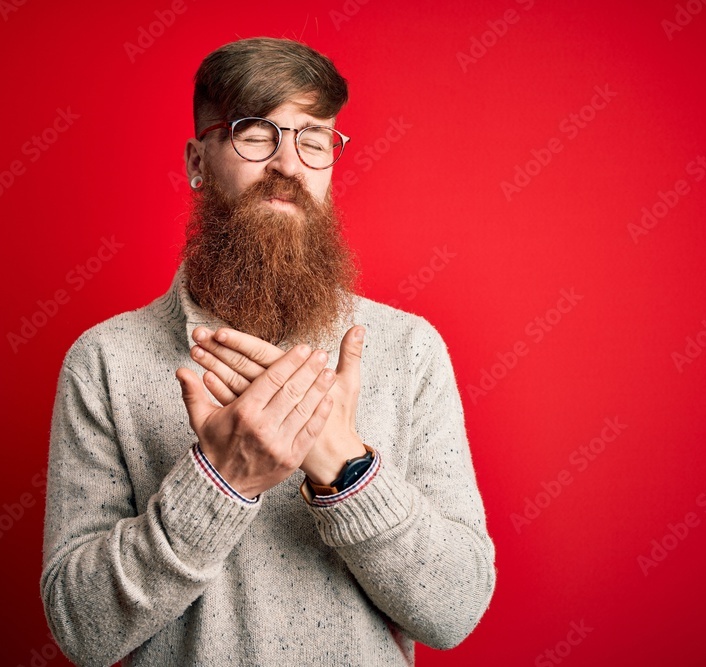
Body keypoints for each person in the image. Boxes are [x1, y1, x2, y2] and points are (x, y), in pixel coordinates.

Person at [40, 37, 495, 667]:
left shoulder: (409, 350)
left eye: (313, 137)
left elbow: (455, 609)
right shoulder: (105, 361)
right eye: (256, 133)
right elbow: (80, 629)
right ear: (198, 161)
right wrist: (221, 483)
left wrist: (348, 471)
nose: (288, 163)